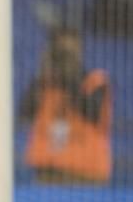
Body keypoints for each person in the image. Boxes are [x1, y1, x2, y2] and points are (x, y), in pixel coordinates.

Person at [22, 26, 112, 183]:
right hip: (48, 173)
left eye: (69, 52)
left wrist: (70, 77)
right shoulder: (43, 82)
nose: (65, 57)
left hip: (86, 175)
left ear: (79, 50)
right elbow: (24, 115)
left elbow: (92, 112)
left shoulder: (96, 80)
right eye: (61, 52)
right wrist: (43, 73)